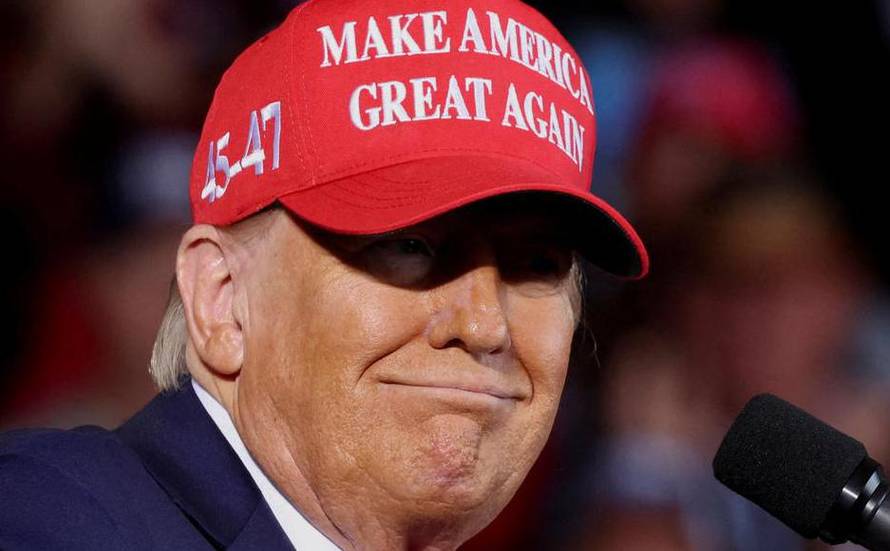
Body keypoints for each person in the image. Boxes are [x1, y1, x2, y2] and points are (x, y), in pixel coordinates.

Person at [0, 0, 648, 549]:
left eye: (537, 263)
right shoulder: (47, 519)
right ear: (221, 301)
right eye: (411, 244)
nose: (483, 324)